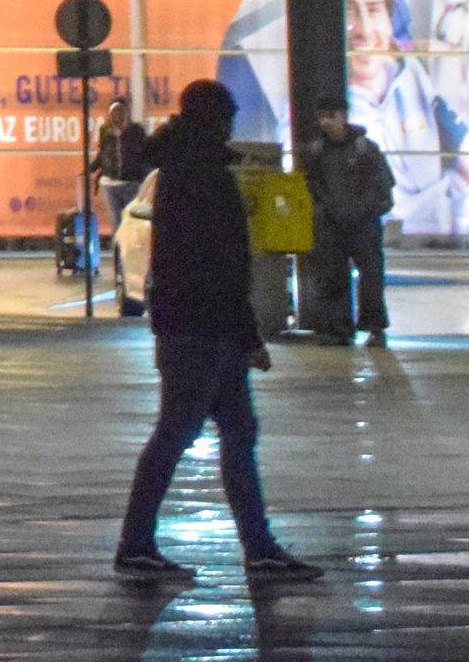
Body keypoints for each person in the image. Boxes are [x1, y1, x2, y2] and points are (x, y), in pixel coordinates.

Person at [115, 78, 320, 585]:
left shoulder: (183, 169)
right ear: (216, 121)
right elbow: (219, 264)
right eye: (226, 118)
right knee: (180, 433)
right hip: (204, 329)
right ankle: (139, 544)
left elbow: (214, 263)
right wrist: (248, 335)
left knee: (229, 432)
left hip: (198, 326)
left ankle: (256, 546)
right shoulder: (200, 175)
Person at [301, 99, 396, 345]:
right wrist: (324, 211)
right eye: (322, 116)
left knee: (371, 276)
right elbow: (311, 185)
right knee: (333, 276)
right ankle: (338, 328)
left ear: (343, 116)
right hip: (332, 224)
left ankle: (375, 328)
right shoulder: (316, 151)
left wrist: (364, 209)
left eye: (331, 116)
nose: (326, 122)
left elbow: (383, 184)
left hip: (363, 224)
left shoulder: (365, 149)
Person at [93, 95, 149, 315]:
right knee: (117, 225)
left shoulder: (136, 132)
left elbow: (143, 154)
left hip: (131, 182)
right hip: (110, 183)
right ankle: (120, 267)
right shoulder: (105, 132)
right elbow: (102, 154)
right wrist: (93, 169)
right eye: (114, 112)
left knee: (130, 222)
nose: (117, 116)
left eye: (121, 112)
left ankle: (127, 264)